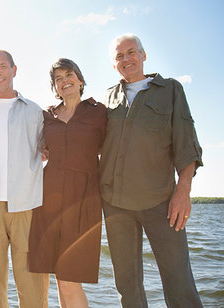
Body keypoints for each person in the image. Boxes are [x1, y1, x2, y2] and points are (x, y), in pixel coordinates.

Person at [100, 33, 203, 308]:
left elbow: (186, 143)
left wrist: (184, 191)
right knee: (127, 287)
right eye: (119, 56)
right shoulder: (107, 98)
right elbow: (90, 141)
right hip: (115, 204)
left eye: (131, 52)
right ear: (114, 64)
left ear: (143, 55)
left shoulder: (170, 90)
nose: (126, 59)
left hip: (161, 201)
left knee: (179, 282)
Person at [0, 50, 49, 308]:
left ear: (14, 70)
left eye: (3, 66)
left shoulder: (35, 111)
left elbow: (48, 148)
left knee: (32, 281)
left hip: (25, 206)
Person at [28, 58, 107, 308]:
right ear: (55, 86)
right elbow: (36, 147)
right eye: (58, 79)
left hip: (82, 200)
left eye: (69, 75)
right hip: (48, 200)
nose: (65, 81)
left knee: (71, 277)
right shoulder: (47, 116)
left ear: (80, 80)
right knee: (60, 276)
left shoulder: (99, 113)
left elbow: (114, 150)